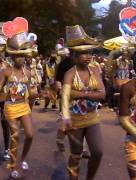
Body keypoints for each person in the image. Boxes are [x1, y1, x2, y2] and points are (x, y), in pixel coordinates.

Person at [0, 17, 46, 178]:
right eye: (18, 56)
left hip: (23, 106)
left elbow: (30, 93)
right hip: (10, 107)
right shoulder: (6, 72)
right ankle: (12, 166)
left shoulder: (29, 73)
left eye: (23, 56)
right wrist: (1, 95)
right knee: (15, 135)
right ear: (12, 57)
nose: (21, 59)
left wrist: (40, 94)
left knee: (30, 134)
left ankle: (23, 159)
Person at [61, 25, 105, 180]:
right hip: (75, 120)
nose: (87, 56)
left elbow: (103, 94)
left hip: (92, 118)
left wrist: (78, 94)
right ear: (74, 56)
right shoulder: (69, 74)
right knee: (76, 154)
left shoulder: (95, 71)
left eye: (89, 52)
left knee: (98, 151)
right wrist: (65, 118)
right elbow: (65, 97)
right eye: (82, 53)